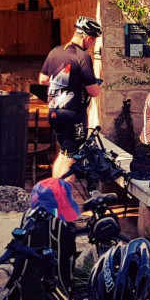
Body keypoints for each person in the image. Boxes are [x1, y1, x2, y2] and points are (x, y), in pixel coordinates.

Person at [38, 16, 102, 181]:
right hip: (73, 114)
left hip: (54, 112)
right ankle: (64, 194)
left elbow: (43, 79)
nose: (92, 44)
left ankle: (54, 192)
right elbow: (94, 91)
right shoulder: (82, 56)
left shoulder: (55, 51)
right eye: (93, 40)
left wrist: (64, 82)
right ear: (88, 37)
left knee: (63, 152)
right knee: (72, 157)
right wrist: (95, 84)